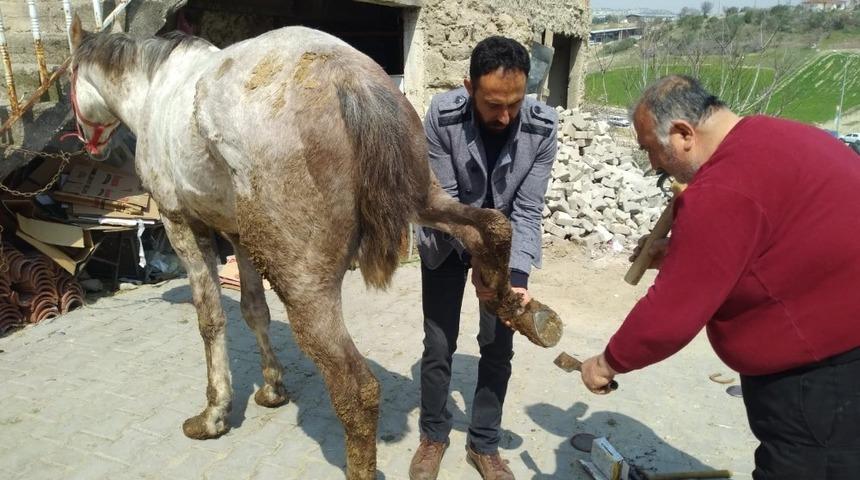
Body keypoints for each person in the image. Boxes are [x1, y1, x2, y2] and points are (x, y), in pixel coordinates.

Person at [579, 74, 860, 480]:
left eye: (652, 150)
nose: (653, 163)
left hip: (818, 373)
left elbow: (673, 312)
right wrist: (679, 252)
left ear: (682, 134)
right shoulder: (775, 134)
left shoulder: (721, 187)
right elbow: (774, 237)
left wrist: (608, 362)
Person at [410, 36, 557, 480]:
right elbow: (445, 200)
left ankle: (484, 444)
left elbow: (528, 209)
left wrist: (513, 277)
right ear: (469, 87)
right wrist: (478, 261)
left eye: (515, 102)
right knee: (439, 344)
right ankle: (434, 435)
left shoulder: (542, 126)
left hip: (505, 249)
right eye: (493, 104)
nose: (506, 115)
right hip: (446, 237)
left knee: (498, 346)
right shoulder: (442, 114)